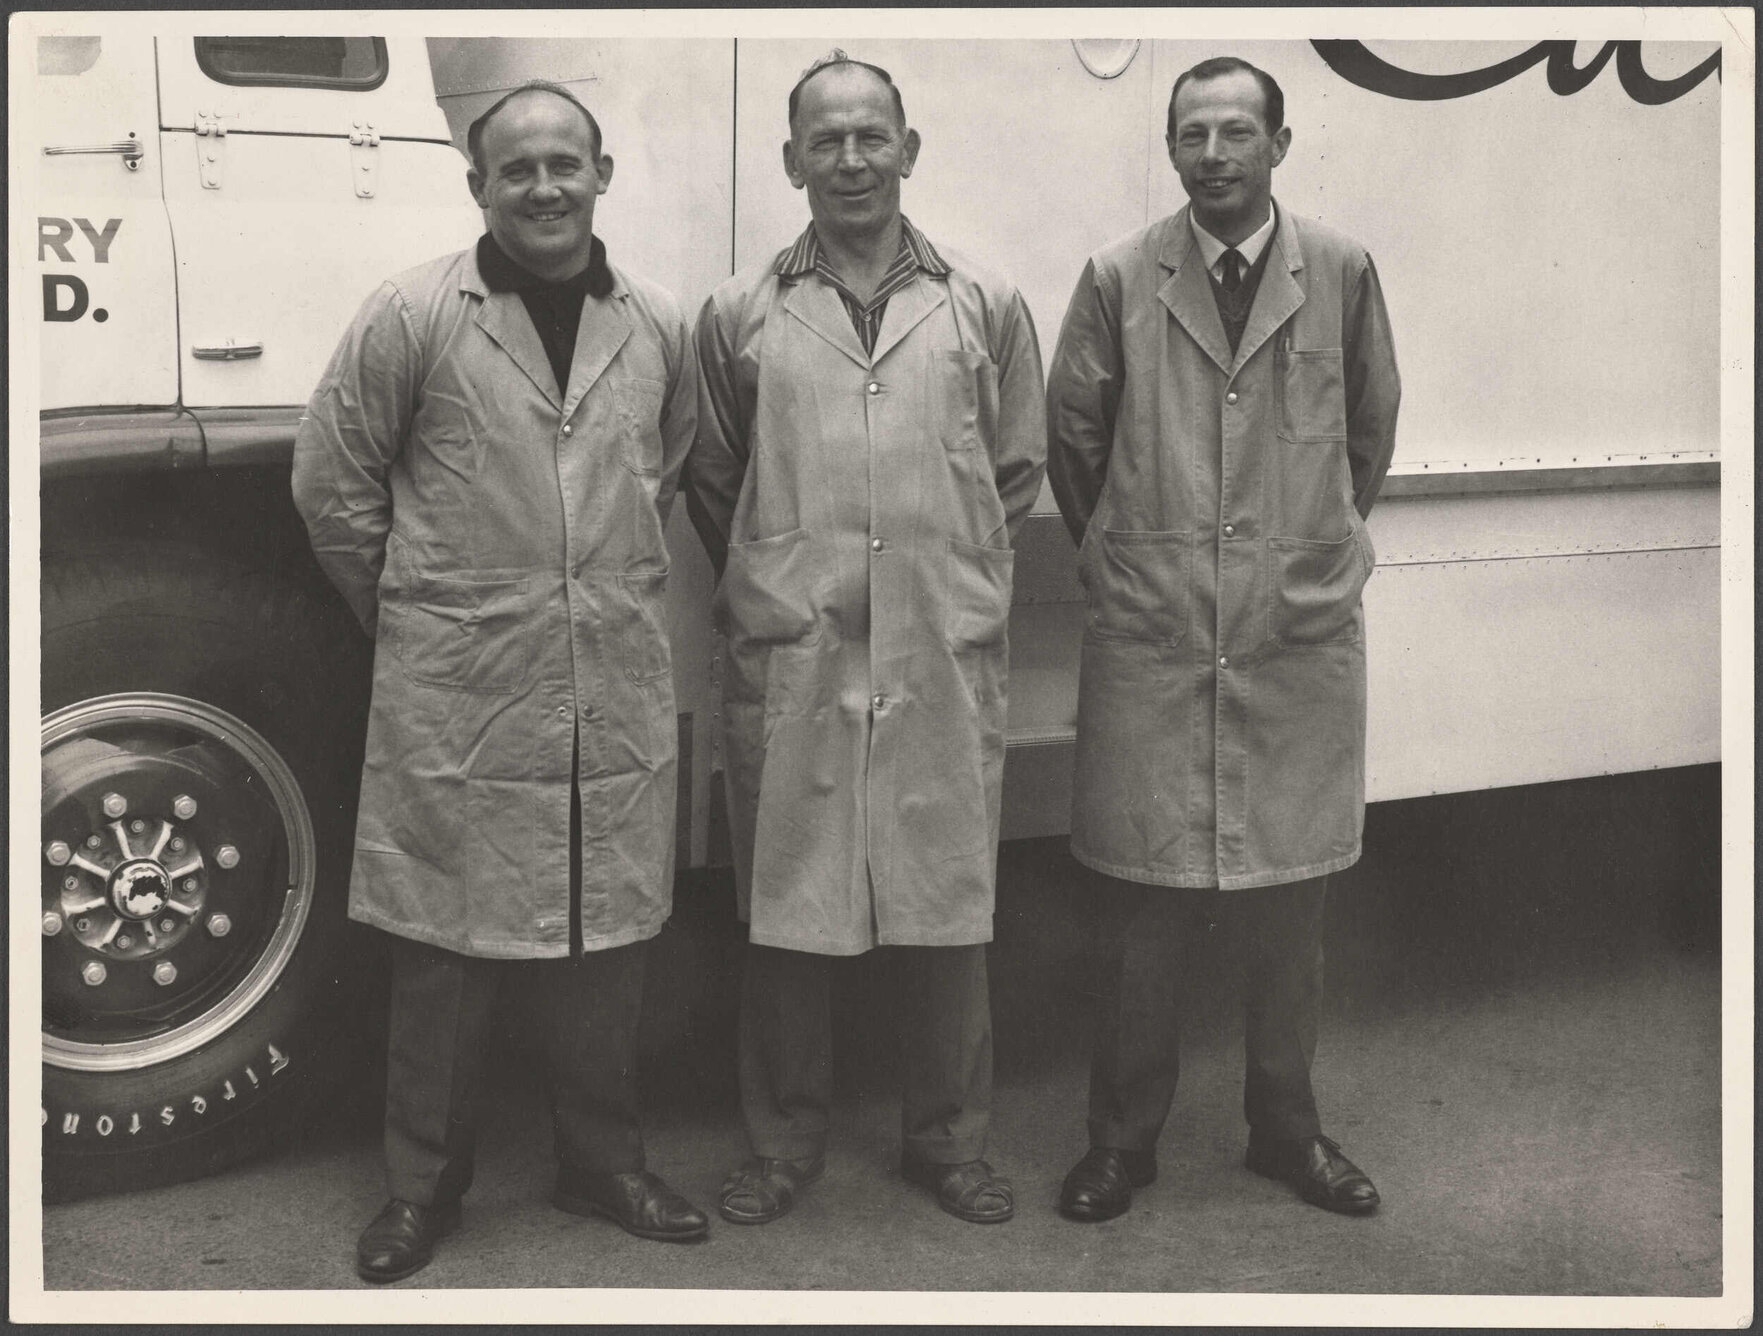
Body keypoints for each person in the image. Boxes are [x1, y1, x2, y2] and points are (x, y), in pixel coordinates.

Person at [292, 80, 708, 1283]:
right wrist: (425, 616)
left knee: (603, 940)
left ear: (601, 175)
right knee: (446, 949)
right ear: (477, 187)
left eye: (564, 165)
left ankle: (602, 1163)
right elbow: (335, 484)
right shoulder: (413, 314)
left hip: (606, 679)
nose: (542, 188)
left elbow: (662, 469)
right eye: (515, 170)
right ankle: (422, 1189)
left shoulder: (658, 322)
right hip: (460, 686)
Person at [685, 51, 1046, 1227]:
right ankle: (783, 1144)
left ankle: (947, 1141)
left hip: (935, 650)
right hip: (801, 651)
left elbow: (1014, 468)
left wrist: (947, 582)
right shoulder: (739, 313)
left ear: (908, 149)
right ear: (791, 161)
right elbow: (714, 479)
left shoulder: (981, 302)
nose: (848, 159)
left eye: (869, 137)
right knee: (788, 902)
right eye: (824, 140)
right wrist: (785, 578)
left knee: (947, 905)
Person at [1044, 56, 1400, 1222]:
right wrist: (1134, 552)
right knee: (1139, 908)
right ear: (1171, 150)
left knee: (1286, 908)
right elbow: (1075, 439)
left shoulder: (1338, 270)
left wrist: (1310, 543)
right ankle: (1120, 1142)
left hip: (1290, 632)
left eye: (1234, 131)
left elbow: (1368, 429)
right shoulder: (1114, 278)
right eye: (1190, 133)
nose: (1212, 152)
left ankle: (1286, 1133)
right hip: (1156, 628)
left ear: (1278, 146)